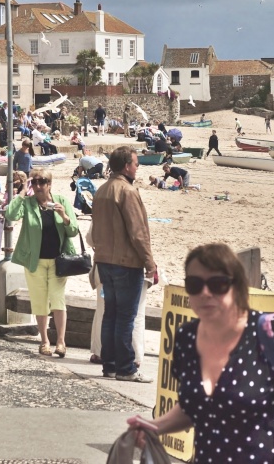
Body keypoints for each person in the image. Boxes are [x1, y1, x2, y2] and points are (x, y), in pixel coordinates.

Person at [125, 243, 274, 463]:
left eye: (217, 284)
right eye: (195, 284)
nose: (205, 293)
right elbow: (195, 407)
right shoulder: (186, 340)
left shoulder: (269, 333)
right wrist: (154, 426)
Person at [91, 146, 156, 382]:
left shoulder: (102, 190)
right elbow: (137, 232)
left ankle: (109, 364)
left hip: (104, 261)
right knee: (125, 317)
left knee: (110, 314)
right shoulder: (127, 192)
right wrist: (150, 262)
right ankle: (126, 368)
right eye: (136, 164)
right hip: (126, 263)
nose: (138, 168)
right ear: (127, 165)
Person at [5, 168, 79, 358]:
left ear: (50, 184)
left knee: (58, 300)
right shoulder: (28, 203)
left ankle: (61, 342)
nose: (38, 186)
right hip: (34, 261)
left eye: (42, 182)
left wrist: (64, 217)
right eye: (34, 182)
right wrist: (22, 192)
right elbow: (10, 215)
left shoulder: (61, 201)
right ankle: (44, 341)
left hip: (59, 262)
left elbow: (73, 231)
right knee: (39, 302)